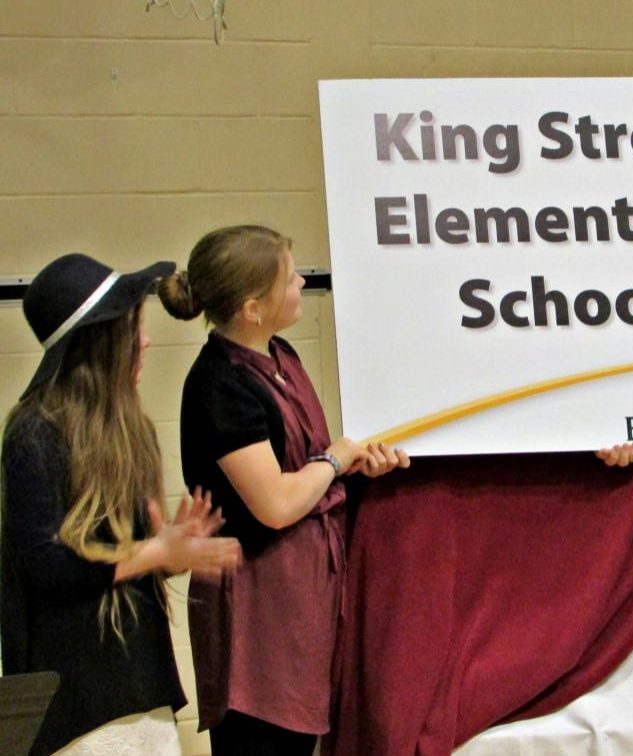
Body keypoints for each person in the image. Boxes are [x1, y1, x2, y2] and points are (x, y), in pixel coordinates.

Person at [158, 224, 410, 756]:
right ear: (253, 308)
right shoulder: (219, 384)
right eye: (290, 278)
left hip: (302, 599)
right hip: (258, 610)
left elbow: (308, 471)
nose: (301, 284)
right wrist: (336, 459)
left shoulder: (282, 354)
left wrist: (356, 466)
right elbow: (275, 503)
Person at [1, 253, 241, 756]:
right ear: (101, 340)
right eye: (135, 327)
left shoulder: (131, 430)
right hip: (77, 702)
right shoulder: (33, 434)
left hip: (144, 685)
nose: (146, 341)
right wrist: (153, 553)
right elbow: (49, 568)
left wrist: (171, 554)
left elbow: (128, 562)